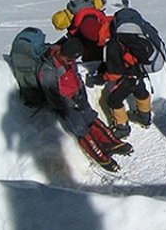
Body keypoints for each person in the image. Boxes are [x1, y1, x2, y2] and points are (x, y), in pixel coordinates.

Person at [39, 37, 131, 172]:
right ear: (63, 54)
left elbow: (76, 76)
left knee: (91, 117)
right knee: (80, 129)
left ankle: (110, 142)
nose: (72, 62)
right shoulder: (48, 69)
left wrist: (82, 95)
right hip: (66, 104)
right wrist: (70, 103)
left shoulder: (69, 60)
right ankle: (100, 156)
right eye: (70, 59)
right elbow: (53, 95)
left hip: (77, 96)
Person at [97, 27, 156, 138]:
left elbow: (115, 72)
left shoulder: (113, 44)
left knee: (113, 100)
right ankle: (144, 117)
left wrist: (101, 78)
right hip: (138, 72)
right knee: (140, 91)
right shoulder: (129, 36)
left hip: (127, 78)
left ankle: (122, 128)